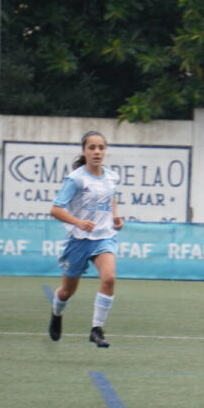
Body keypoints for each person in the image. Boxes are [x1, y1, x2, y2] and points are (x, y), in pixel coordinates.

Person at [48, 131, 124, 348]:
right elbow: (55, 209)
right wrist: (77, 222)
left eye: (101, 147)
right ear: (84, 151)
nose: (97, 152)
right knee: (67, 291)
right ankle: (56, 312)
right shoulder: (76, 178)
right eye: (92, 147)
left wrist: (116, 217)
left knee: (109, 279)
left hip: (104, 237)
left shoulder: (111, 177)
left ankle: (96, 329)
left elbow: (111, 199)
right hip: (79, 240)